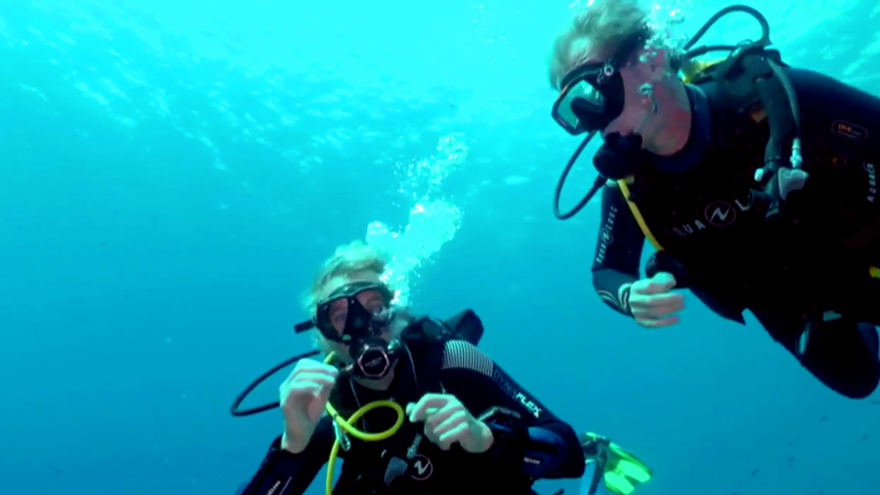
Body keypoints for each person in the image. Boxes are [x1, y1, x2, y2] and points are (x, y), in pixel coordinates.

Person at [545, 1, 880, 398]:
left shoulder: (767, 100)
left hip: (863, 245)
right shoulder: (631, 187)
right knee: (855, 379)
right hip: (791, 301)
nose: (593, 121)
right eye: (576, 112)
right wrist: (629, 296)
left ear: (651, 59)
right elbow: (606, 270)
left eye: (593, 92)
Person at [234, 240, 603, 495]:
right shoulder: (330, 414)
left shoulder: (451, 359)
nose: (362, 324)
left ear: (394, 311)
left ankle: (600, 451)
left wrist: (489, 438)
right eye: (341, 315)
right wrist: (293, 446)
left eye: (373, 304)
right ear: (325, 335)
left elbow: (567, 454)